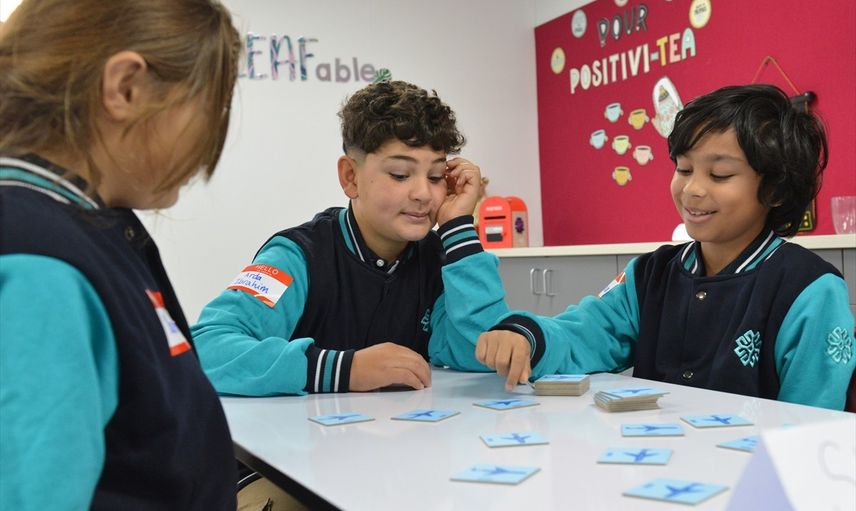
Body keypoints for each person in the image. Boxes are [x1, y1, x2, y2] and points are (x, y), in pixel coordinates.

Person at [475, 84, 855, 410]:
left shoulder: (809, 290)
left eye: (720, 174)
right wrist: (525, 336)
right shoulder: (650, 273)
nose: (692, 189)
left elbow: (812, 427)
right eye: (684, 169)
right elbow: (587, 332)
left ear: (775, 189)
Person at [0, 1, 241, 508]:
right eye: (212, 105)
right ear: (126, 87)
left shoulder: (88, 228)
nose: (211, 135)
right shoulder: (38, 264)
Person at [192, 80, 507, 396]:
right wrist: (343, 369)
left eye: (436, 177)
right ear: (350, 177)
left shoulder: (440, 260)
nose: (424, 193)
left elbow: (484, 350)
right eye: (400, 175)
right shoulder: (297, 257)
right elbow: (206, 348)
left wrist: (459, 228)